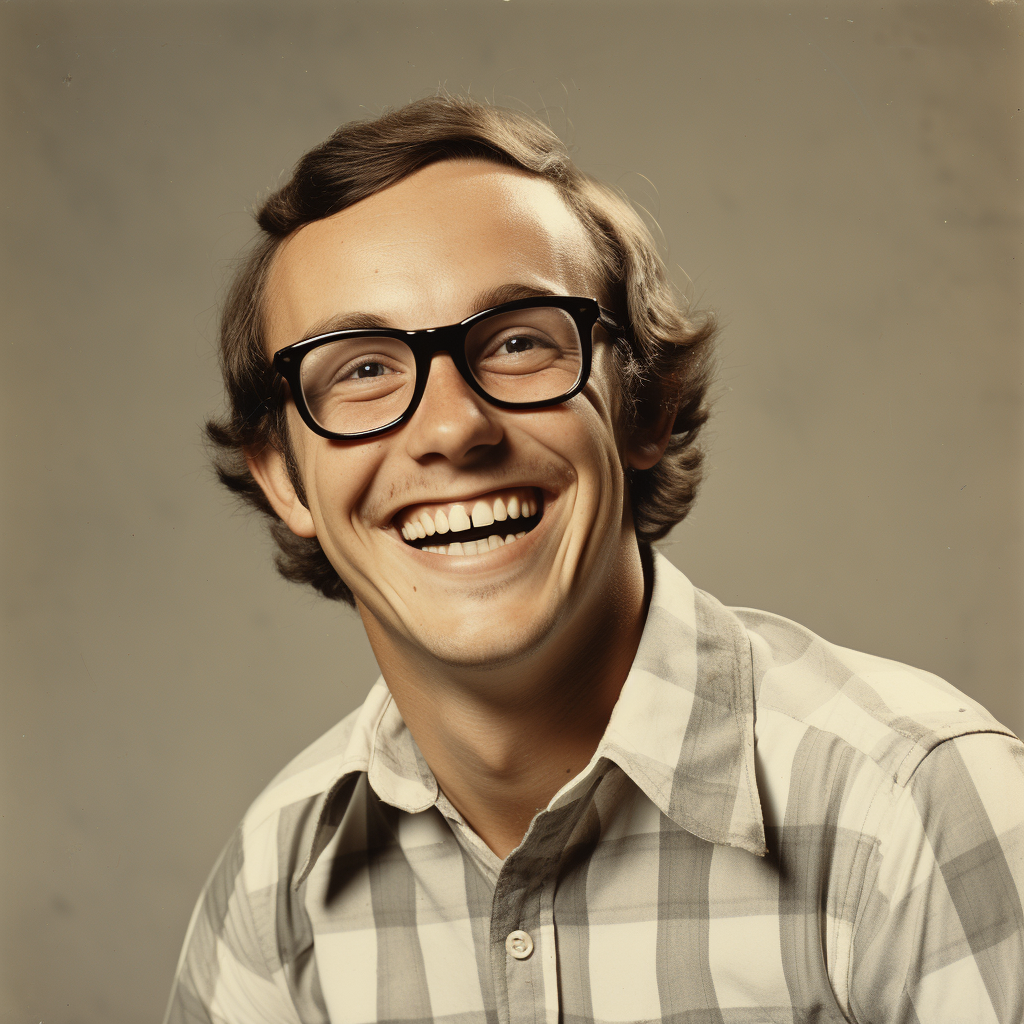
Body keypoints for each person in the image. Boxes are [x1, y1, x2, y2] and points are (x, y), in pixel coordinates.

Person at [164, 95, 1024, 1024]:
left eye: (520, 342)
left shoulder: (915, 813)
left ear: (643, 407)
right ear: (287, 481)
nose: (452, 427)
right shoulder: (274, 892)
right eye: (361, 367)